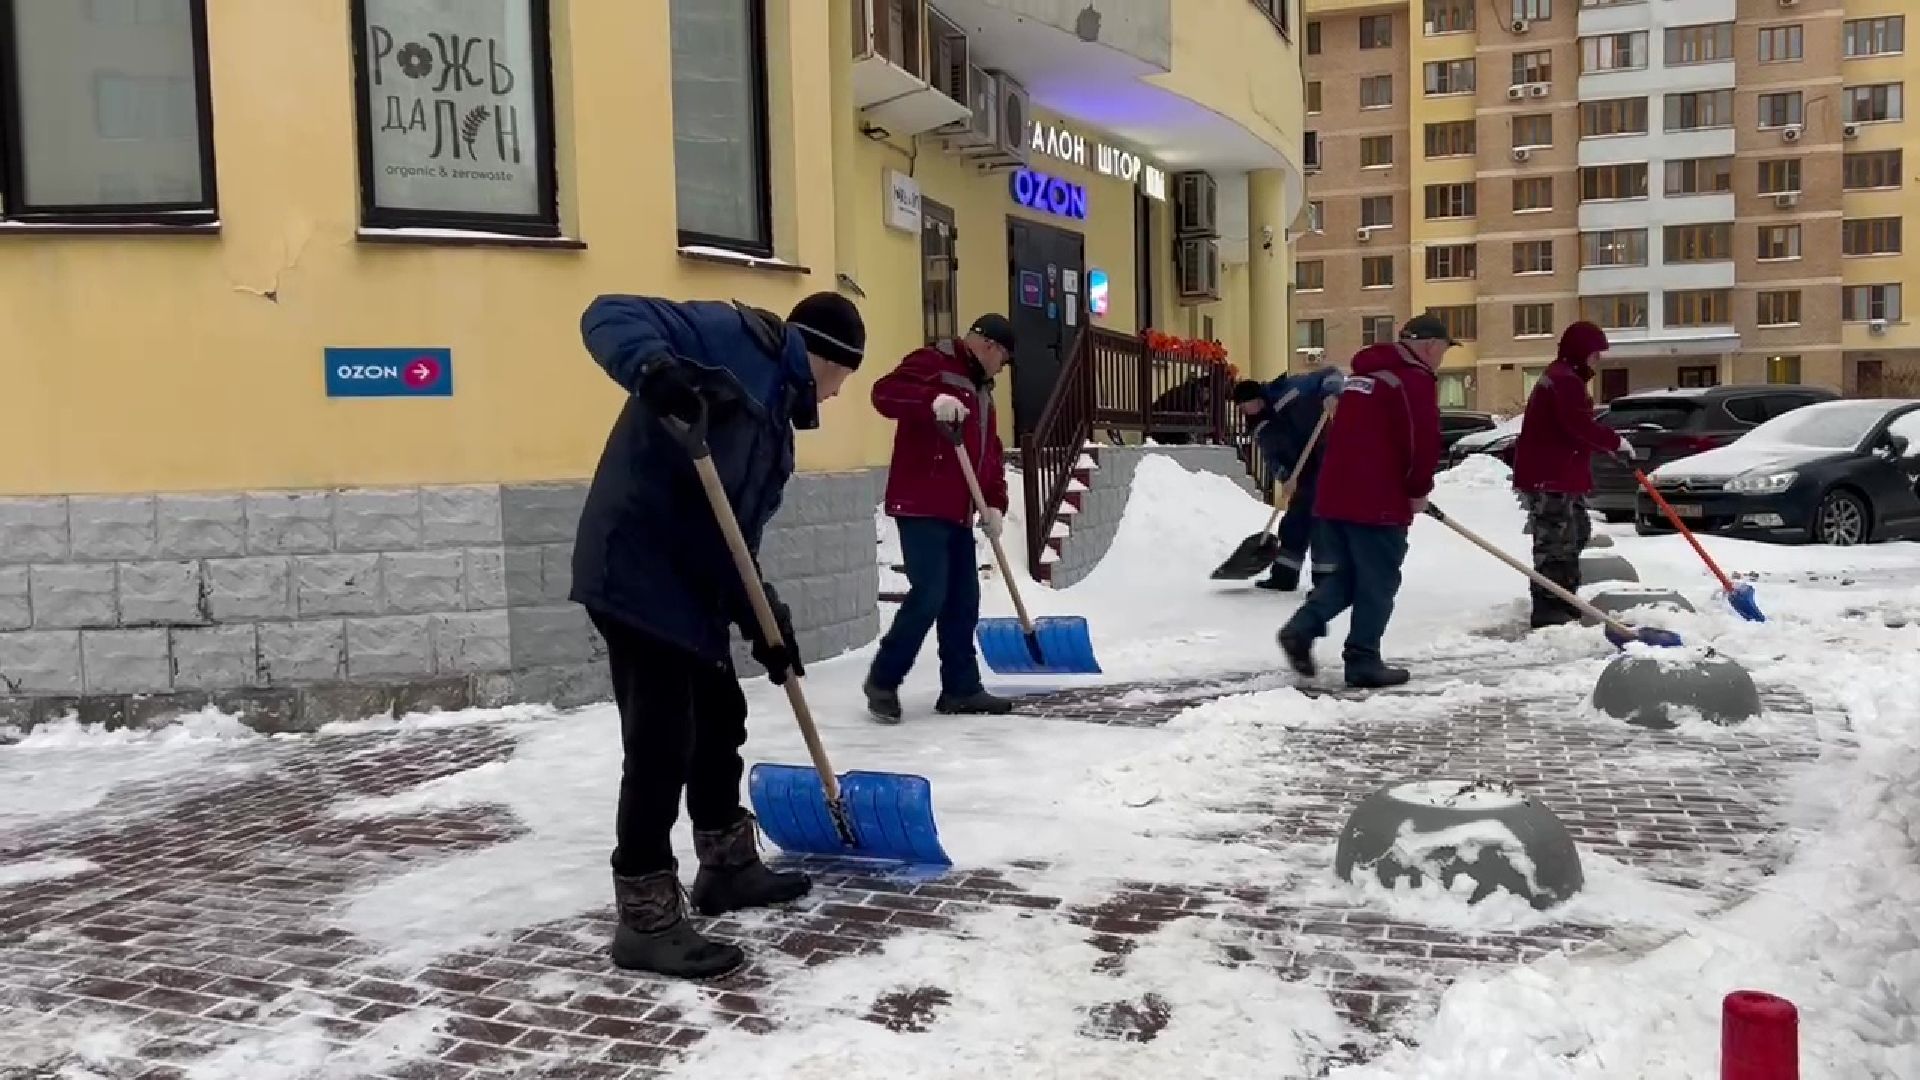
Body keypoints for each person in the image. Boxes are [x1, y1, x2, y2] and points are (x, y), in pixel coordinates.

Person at [571, 289, 867, 980]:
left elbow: (735, 537)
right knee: (661, 742)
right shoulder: (730, 337)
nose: (836, 395)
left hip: (691, 586)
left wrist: (767, 622)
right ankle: (645, 919)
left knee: (719, 718)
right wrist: (654, 370)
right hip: (636, 569)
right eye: (844, 380)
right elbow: (608, 313)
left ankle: (726, 868)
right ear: (829, 359)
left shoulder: (775, 431)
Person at [863, 314, 1020, 724]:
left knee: (964, 601)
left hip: (959, 512)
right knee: (930, 594)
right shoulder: (934, 362)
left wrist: (995, 503)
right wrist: (931, 401)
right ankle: (883, 680)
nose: (1001, 368)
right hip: (921, 504)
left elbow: (989, 454)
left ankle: (960, 688)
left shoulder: (983, 393)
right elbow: (884, 394)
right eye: (1003, 359)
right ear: (989, 346)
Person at [1277, 314, 1447, 689]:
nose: (1441, 358)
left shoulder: (1360, 379)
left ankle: (1302, 628)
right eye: (1443, 350)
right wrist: (1417, 490)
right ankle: (1363, 659)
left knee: (1349, 578)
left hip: (1335, 496)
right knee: (1378, 581)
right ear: (1430, 346)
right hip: (1377, 501)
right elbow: (1421, 441)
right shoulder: (1412, 380)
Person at [1510, 321, 1631, 628]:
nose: (1598, 360)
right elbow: (1578, 425)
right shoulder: (1564, 380)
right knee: (1556, 542)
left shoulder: (1564, 377)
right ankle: (1550, 609)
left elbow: (1573, 429)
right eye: (1594, 353)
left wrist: (1608, 447)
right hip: (1550, 477)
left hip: (1557, 475)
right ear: (1580, 352)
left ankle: (1563, 599)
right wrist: (1615, 442)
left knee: (1575, 531)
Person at [1231, 363, 1346, 591]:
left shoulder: (1290, 390)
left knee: (1321, 521)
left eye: (1245, 406)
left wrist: (1332, 394)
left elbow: (1330, 374)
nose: (1244, 411)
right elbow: (1271, 456)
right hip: (1300, 472)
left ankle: (1328, 584)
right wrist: (1285, 477)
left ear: (1255, 398)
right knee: (1294, 521)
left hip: (1328, 457)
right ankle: (1284, 576)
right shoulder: (1260, 426)